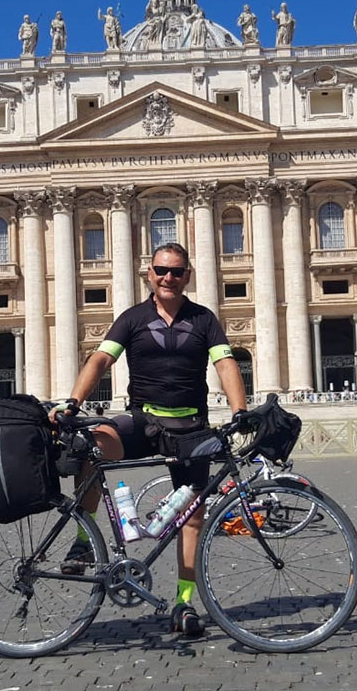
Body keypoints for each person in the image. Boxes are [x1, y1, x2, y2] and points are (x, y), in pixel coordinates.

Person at [51, 242, 247, 638]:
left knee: (192, 516)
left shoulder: (204, 319)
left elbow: (225, 363)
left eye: (176, 271)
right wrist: (73, 402)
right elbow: (101, 359)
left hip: (191, 427)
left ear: (187, 276)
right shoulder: (132, 318)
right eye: (161, 270)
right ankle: (82, 540)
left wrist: (240, 411)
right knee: (95, 441)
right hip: (144, 421)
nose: (168, 277)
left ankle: (184, 603)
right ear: (149, 274)